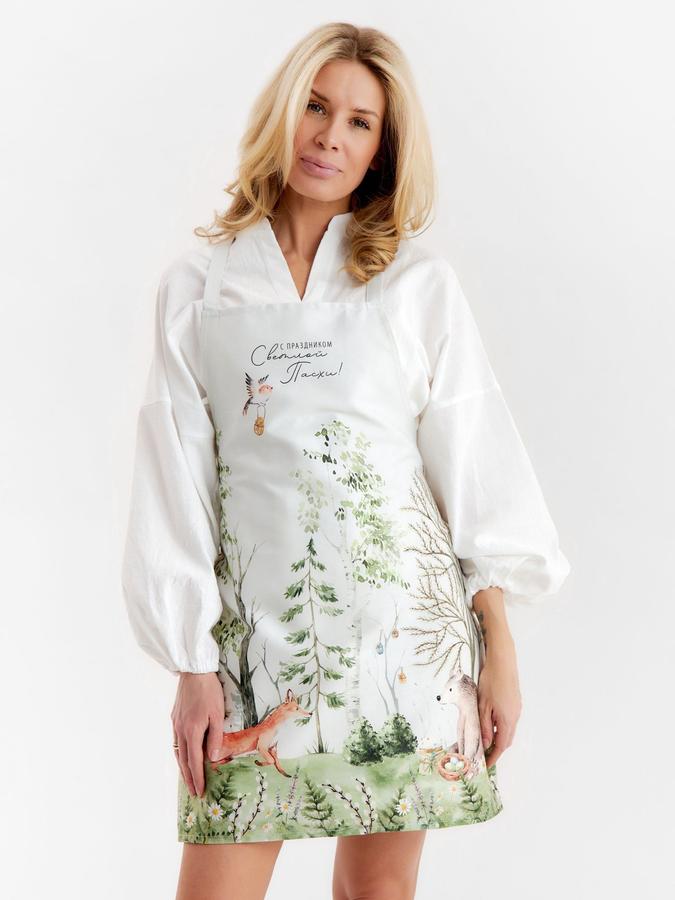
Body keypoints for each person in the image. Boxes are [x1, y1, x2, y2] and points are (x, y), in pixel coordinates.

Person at [121, 22, 570, 900]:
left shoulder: (413, 285)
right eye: (316, 107)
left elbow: (472, 465)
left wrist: (499, 654)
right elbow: (172, 478)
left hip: (405, 648)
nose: (330, 136)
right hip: (253, 656)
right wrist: (191, 665)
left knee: (377, 893)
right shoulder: (200, 289)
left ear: (380, 150)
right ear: (282, 113)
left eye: (359, 122)